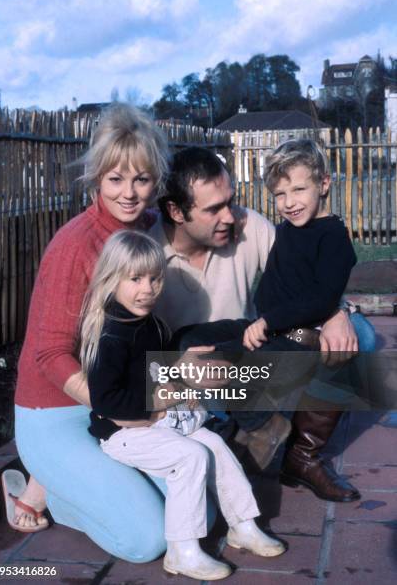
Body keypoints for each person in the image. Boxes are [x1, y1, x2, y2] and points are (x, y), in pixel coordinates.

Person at [151, 145, 372, 501]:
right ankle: (258, 424)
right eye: (213, 209)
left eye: (231, 202)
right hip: (196, 370)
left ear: (324, 184)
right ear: (177, 211)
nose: (230, 216)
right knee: (187, 339)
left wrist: (336, 313)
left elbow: (320, 289)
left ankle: (301, 455)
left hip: (275, 334)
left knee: (354, 338)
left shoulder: (290, 230)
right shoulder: (147, 252)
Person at [6, 104, 173, 561]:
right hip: (57, 412)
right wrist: (124, 409)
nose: (128, 193)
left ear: (155, 181)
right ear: (97, 178)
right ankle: (56, 487)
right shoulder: (75, 244)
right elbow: (49, 354)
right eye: (115, 179)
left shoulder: (148, 232)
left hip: (110, 406)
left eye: (141, 179)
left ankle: (60, 480)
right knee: (147, 540)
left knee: (194, 508)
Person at [81, 229, 285, 581]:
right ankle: (182, 550)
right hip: (121, 432)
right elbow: (106, 399)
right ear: (112, 279)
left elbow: (156, 372)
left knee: (214, 444)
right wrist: (159, 401)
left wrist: (178, 381)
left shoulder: (152, 326)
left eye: (155, 279)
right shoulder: (110, 336)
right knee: (189, 457)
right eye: (135, 279)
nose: (147, 289)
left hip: (156, 423)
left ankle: (243, 525)